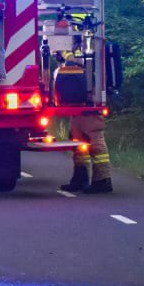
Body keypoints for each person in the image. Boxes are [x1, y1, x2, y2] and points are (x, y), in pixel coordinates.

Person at [56, 52, 113, 194]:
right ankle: (80, 178)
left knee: (95, 140)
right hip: (79, 102)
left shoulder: (92, 44)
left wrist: (67, 56)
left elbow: (82, 61)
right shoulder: (77, 43)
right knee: (78, 141)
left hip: (91, 101)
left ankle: (102, 180)